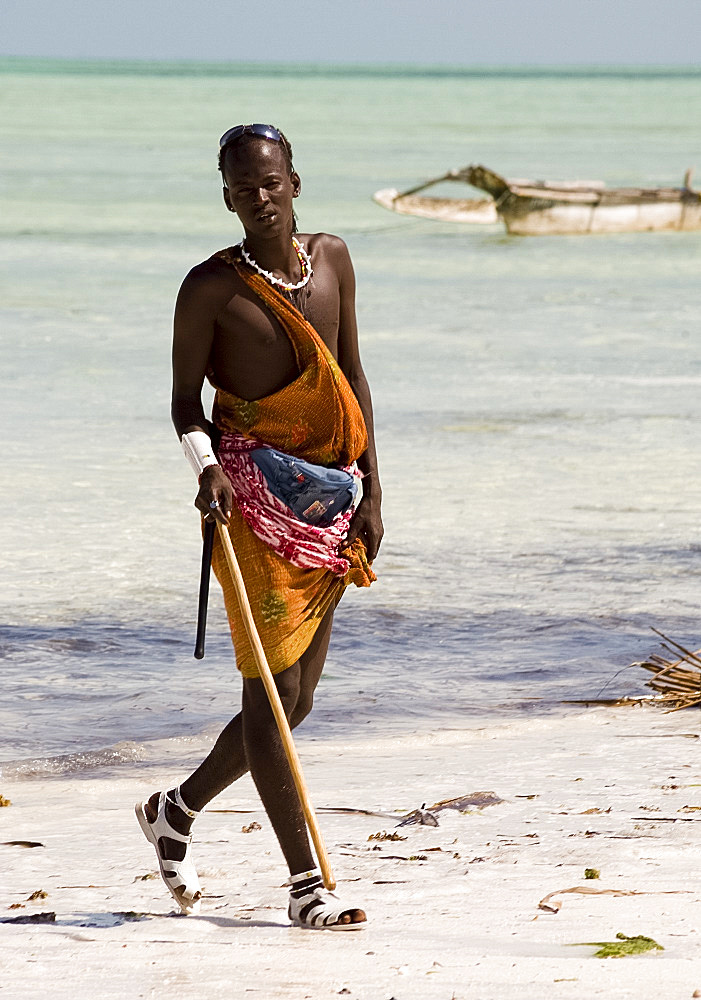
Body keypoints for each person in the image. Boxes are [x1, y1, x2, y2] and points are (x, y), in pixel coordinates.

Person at [135, 124, 383, 930]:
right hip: (249, 502)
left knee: (298, 696)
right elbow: (182, 403)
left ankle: (174, 810)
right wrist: (202, 465)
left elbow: (350, 375)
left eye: (269, 183)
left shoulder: (335, 257)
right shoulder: (209, 288)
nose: (258, 197)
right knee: (269, 693)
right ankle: (307, 884)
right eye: (242, 187)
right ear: (227, 196)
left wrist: (373, 490)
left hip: (332, 498)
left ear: (295, 183)